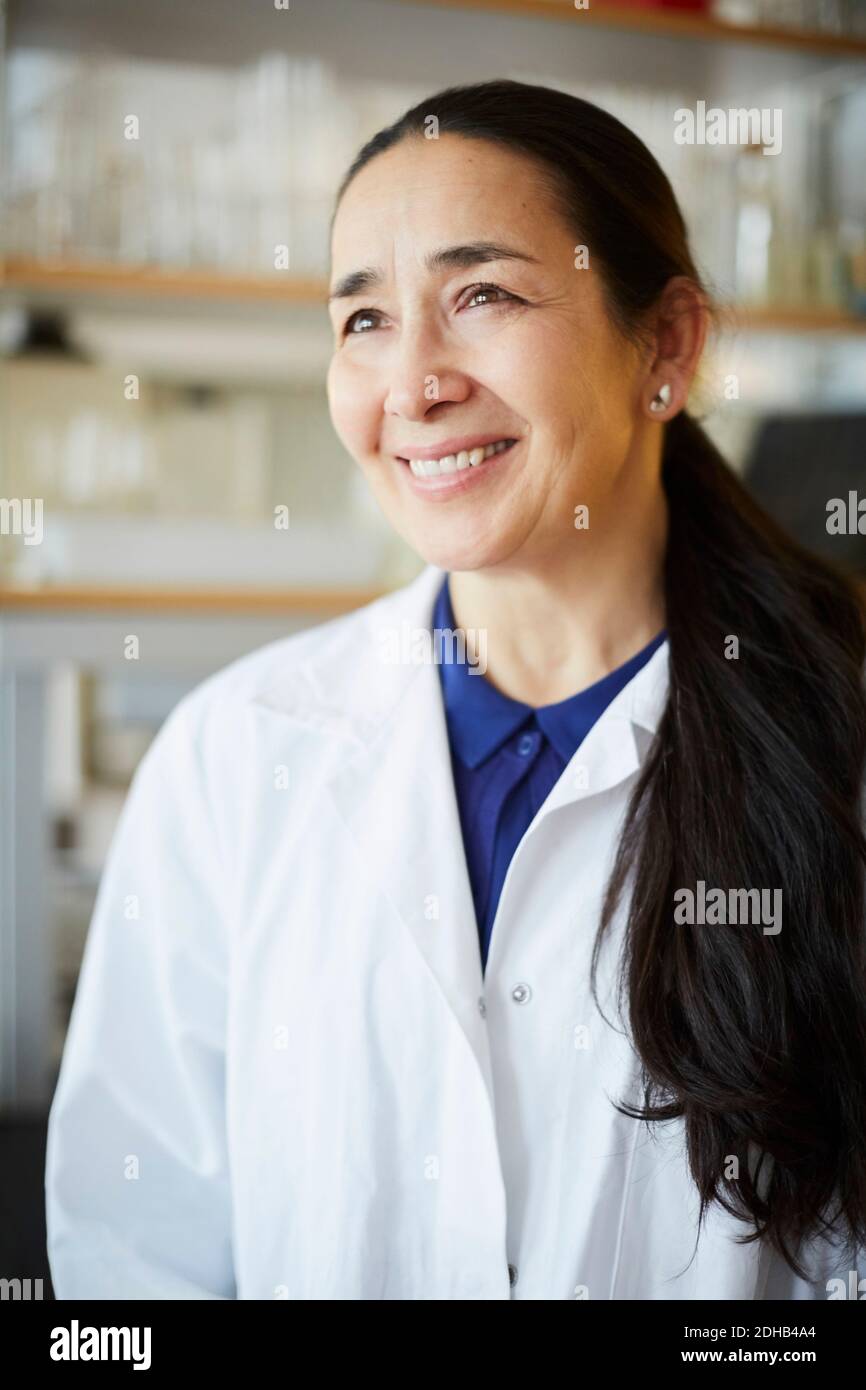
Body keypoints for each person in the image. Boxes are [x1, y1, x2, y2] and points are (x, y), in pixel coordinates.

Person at [46, 78, 866, 1300]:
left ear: (666, 345)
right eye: (362, 320)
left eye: (481, 295)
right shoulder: (234, 755)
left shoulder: (837, 748)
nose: (411, 382)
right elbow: (135, 1249)